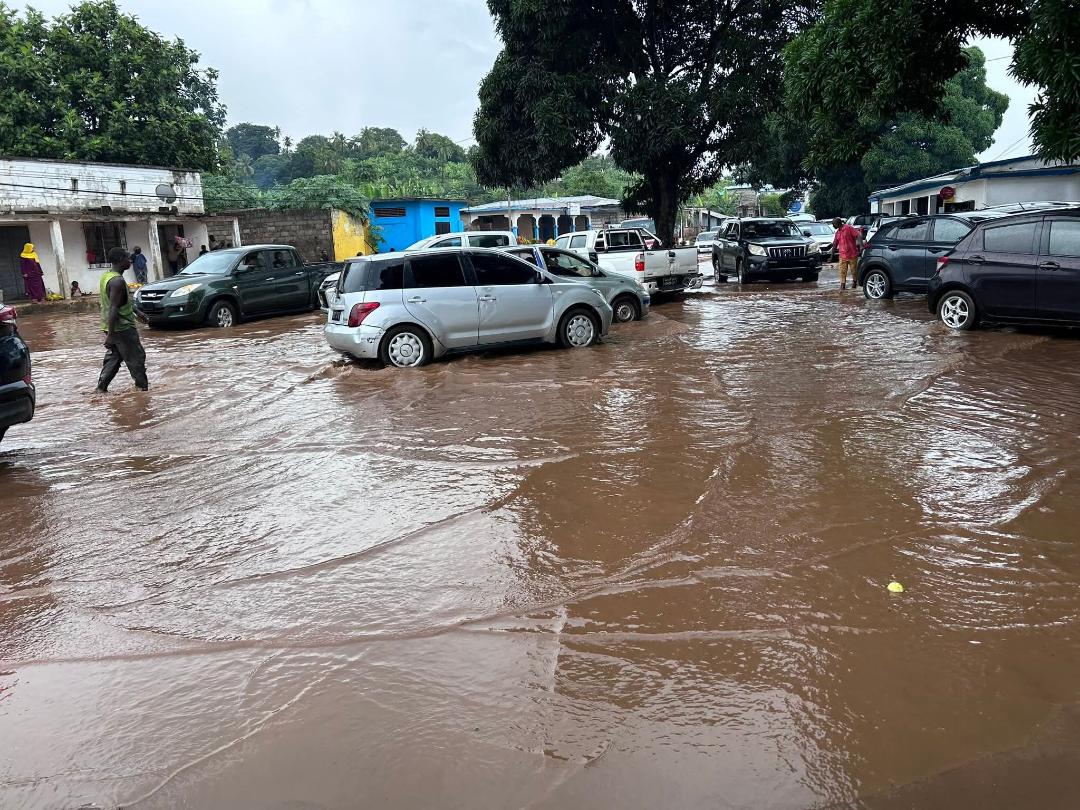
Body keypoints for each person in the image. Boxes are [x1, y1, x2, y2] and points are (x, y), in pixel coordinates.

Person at [96, 247, 148, 393]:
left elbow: (120, 302)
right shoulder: (117, 281)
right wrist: (111, 336)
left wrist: (138, 312)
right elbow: (113, 308)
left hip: (111, 327)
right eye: (127, 257)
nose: (130, 260)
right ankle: (143, 391)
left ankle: (101, 389)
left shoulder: (107, 276)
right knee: (136, 358)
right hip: (122, 329)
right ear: (120, 260)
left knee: (114, 357)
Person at [832, 218, 863, 290]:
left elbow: (858, 235)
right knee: (842, 271)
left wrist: (861, 246)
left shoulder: (848, 228)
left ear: (837, 223)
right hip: (842, 255)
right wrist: (831, 256)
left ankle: (855, 282)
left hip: (852, 254)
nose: (833, 226)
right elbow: (835, 244)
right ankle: (842, 285)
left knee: (854, 271)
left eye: (833, 224)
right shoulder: (837, 233)